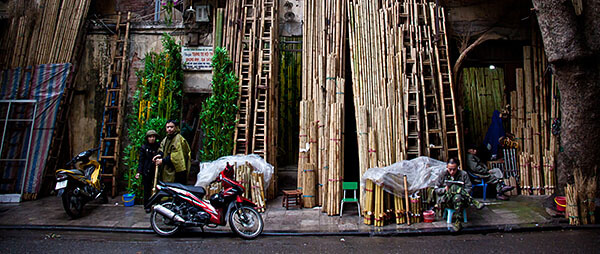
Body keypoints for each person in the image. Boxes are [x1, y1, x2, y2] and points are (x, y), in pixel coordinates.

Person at [435, 158, 484, 229]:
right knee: (454, 187)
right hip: (447, 199)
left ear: (458, 167)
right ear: (447, 167)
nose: (452, 172)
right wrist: (445, 190)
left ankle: (458, 223)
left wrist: (461, 192)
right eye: (450, 169)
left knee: (457, 196)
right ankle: (473, 201)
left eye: (454, 169)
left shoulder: (463, 174)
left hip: (461, 199)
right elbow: (436, 189)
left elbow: (469, 188)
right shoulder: (442, 174)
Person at [153, 120, 191, 184]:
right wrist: (159, 155)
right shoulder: (166, 138)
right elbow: (162, 148)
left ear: (176, 127)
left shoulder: (178, 139)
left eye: (171, 127)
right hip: (167, 168)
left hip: (177, 171)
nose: (169, 129)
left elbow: (177, 156)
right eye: (167, 127)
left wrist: (162, 161)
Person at [136, 130, 160, 212]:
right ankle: (147, 206)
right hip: (147, 171)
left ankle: (157, 204)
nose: (152, 139)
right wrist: (139, 172)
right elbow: (141, 161)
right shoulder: (144, 147)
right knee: (147, 189)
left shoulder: (158, 146)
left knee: (157, 188)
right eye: (150, 137)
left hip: (156, 170)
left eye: (153, 137)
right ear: (147, 138)